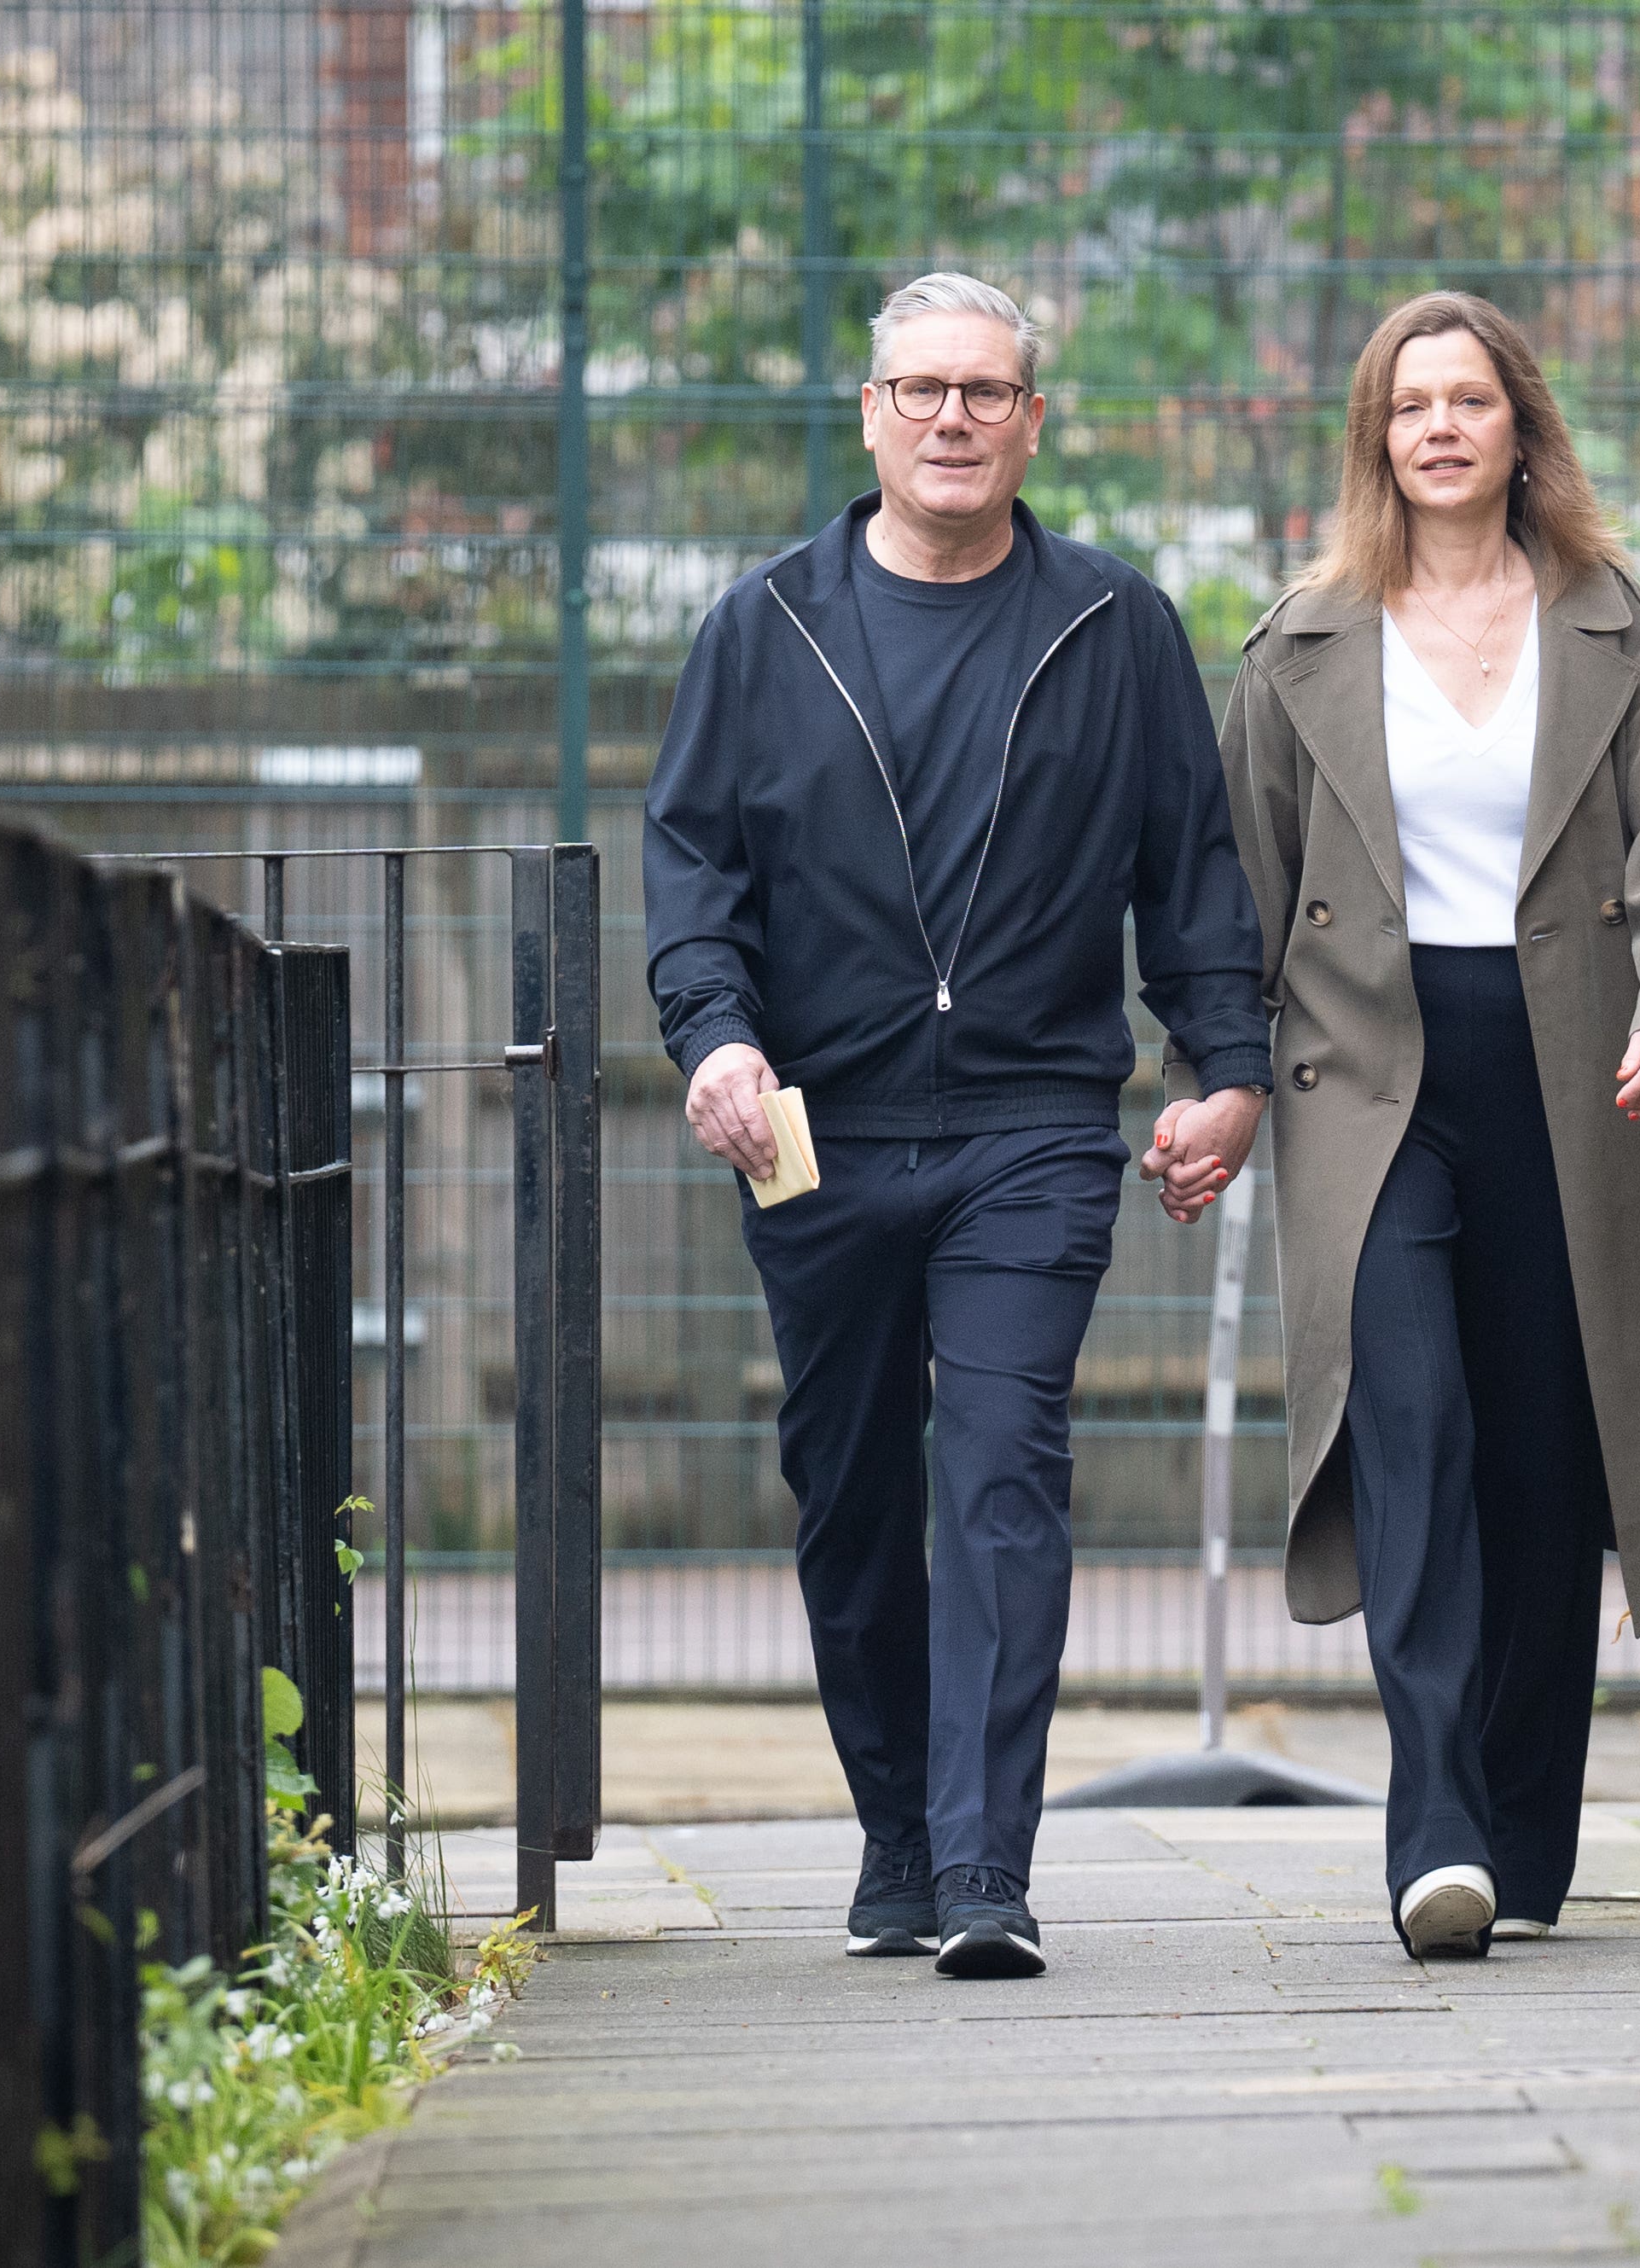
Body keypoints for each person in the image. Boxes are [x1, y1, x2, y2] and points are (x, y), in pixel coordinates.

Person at [645, 272, 1273, 1980]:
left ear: (1029, 423)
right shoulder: (762, 627)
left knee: (1001, 1473)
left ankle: (988, 1868)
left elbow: (1192, 874)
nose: (949, 419)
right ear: (868, 414)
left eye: (983, 393)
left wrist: (1222, 1069)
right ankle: (897, 1838)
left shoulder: (1111, 625)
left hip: (1031, 1129)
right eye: (919, 389)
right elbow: (692, 874)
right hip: (812, 1132)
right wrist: (711, 1042)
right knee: (846, 1492)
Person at [1165, 291, 1640, 1958]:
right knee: (1407, 1419)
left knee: (1542, 1454)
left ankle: (1520, 1824)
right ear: (1375, 438)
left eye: (1467, 401)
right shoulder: (1296, 646)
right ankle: (1431, 1820)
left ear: (1517, 429)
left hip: (1570, 1072)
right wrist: (1211, 1078)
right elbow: (1234, 895)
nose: (1436, 427)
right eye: (1407, 404)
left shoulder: (1612, 629)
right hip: (1366, 1079)